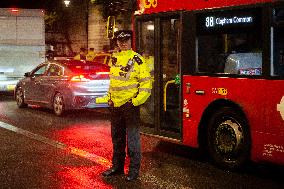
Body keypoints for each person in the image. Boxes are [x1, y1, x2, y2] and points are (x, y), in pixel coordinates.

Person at [96, 30, 152, 181]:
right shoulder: (114, 59)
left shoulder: (137, 59)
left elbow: (146, 84)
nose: (123, 43)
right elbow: (114, 83)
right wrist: (109, 98)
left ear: (131, 41)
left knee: (132, 140)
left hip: (130, 106)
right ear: (117, 43)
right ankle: (117, 167)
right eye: (120, 41)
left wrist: (135, 101)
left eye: (126, 40)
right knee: (117, 138)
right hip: (115, 105)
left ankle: (133, 171)